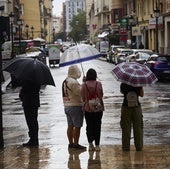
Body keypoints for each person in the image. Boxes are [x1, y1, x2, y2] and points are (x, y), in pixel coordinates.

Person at [62, 65, 86, 150]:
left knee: (70, 126)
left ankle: (70, 143)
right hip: (75, 106)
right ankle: (76, 144)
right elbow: (81, 92)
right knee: (77, 126)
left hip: (67, 106)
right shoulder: (74, 82)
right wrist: (83, 83)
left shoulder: (65, 81)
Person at [81, 68, 104, 151]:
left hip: (88, 109)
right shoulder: (99, 84)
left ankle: (90, 144)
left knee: (89, 126)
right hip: (98, 108)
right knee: (98, 126)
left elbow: (83, 97)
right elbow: (101, 95)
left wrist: (84, 82)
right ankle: (97, 145)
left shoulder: (84, 85)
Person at [120, 83, 144, 151]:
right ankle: (139, 146)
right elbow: (142, 95)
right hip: (136, 107)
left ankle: (126, 147)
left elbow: (121, 91)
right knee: (138, 127)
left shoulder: (123, 83)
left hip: (125, 107)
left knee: (126, 128)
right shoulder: (138, 83)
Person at [19, 80, 40, 147]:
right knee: (34, 121)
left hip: (28, 102)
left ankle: (33, 140)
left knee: (30, 122)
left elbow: (24, 91)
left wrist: (21, 93)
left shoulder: (26, 80)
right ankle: (35, 139)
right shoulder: (37, 80)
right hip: (35, 102)